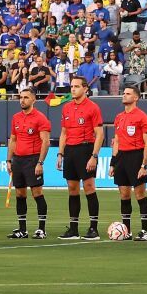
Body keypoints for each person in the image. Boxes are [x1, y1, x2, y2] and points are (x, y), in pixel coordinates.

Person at [58, 75, 104, 241]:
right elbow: (63, 133)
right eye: (71, 86)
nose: (73, 89)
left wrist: (94, 156)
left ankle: (93, 228)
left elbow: (99, 134)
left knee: (89, 187)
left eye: (76, 86)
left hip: (86, 149)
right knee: (72, 188)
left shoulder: (93, 108)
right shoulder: (67, 108)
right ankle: (73, 228)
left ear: (85, 88)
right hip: (70, 150)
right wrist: (60, 153)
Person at [110, 86, 147, 241]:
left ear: (136, 98)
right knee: (124, 194)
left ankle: (144, 231)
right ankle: (126, 230)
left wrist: (144, 165)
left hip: (136, 157)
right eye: (123, 93)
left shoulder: (142, 117)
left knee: (140, 194)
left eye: (128, 94)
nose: (124, 95)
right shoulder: (119, 117)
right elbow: (117, 141)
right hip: (121, 157)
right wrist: (112, 163)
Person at [8, 89, 52, 239]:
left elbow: (45, 142)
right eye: (21, 97)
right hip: (18, 160)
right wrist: (9, 160)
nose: (22, 100)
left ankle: (41, 229)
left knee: (37, 193)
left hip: (33, 160)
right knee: (20, 194)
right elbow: (13, 140)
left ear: (33, 100)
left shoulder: (40, 118)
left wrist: (40, 162)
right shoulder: (16, 118)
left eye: (26, 97)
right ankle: (22, 230)